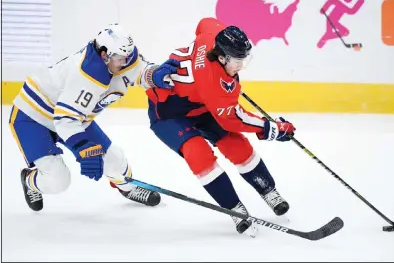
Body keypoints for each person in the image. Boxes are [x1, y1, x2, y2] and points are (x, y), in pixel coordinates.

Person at [145, 18, 296, 236]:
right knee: (199, 154)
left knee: (237, 147)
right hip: (168, 113)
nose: (240, 66)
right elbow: (232, 119)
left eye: (244, 59)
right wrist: (272, 128)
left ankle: (268, 190)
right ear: (222, 56)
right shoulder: (212, 82)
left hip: (202, 106)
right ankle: (234, 208)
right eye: (237, 61)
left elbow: (204, 23)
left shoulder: (215, 34)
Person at [9, 23, 179, 212]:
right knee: (58, 180)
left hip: (73, 117)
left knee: (114, 159)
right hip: (33, 117)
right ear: (104, 55)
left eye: (127, 57)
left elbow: (138, 70)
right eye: (120, 59)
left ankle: (127, 187)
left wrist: (154, 75)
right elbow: (65, 119)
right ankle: (29, 180)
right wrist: (84, 147)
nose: (126, 62)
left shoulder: (121, 57)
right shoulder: (84, 74)